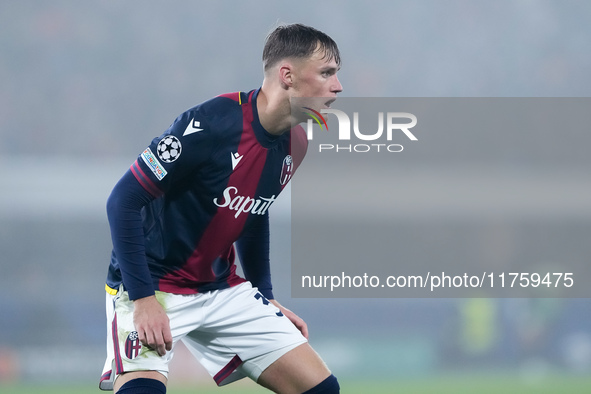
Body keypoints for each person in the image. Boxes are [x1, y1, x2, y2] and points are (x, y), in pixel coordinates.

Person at [99, 23, 343, 394]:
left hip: (219, 286)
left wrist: (265, 294)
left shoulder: (296, 144)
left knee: (320, 389)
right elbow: (123, 201)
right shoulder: (213, 123)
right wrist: (144, 299)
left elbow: (254, 214)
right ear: (288, 76)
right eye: (327, 73)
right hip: (154, 283)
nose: (337, 86)